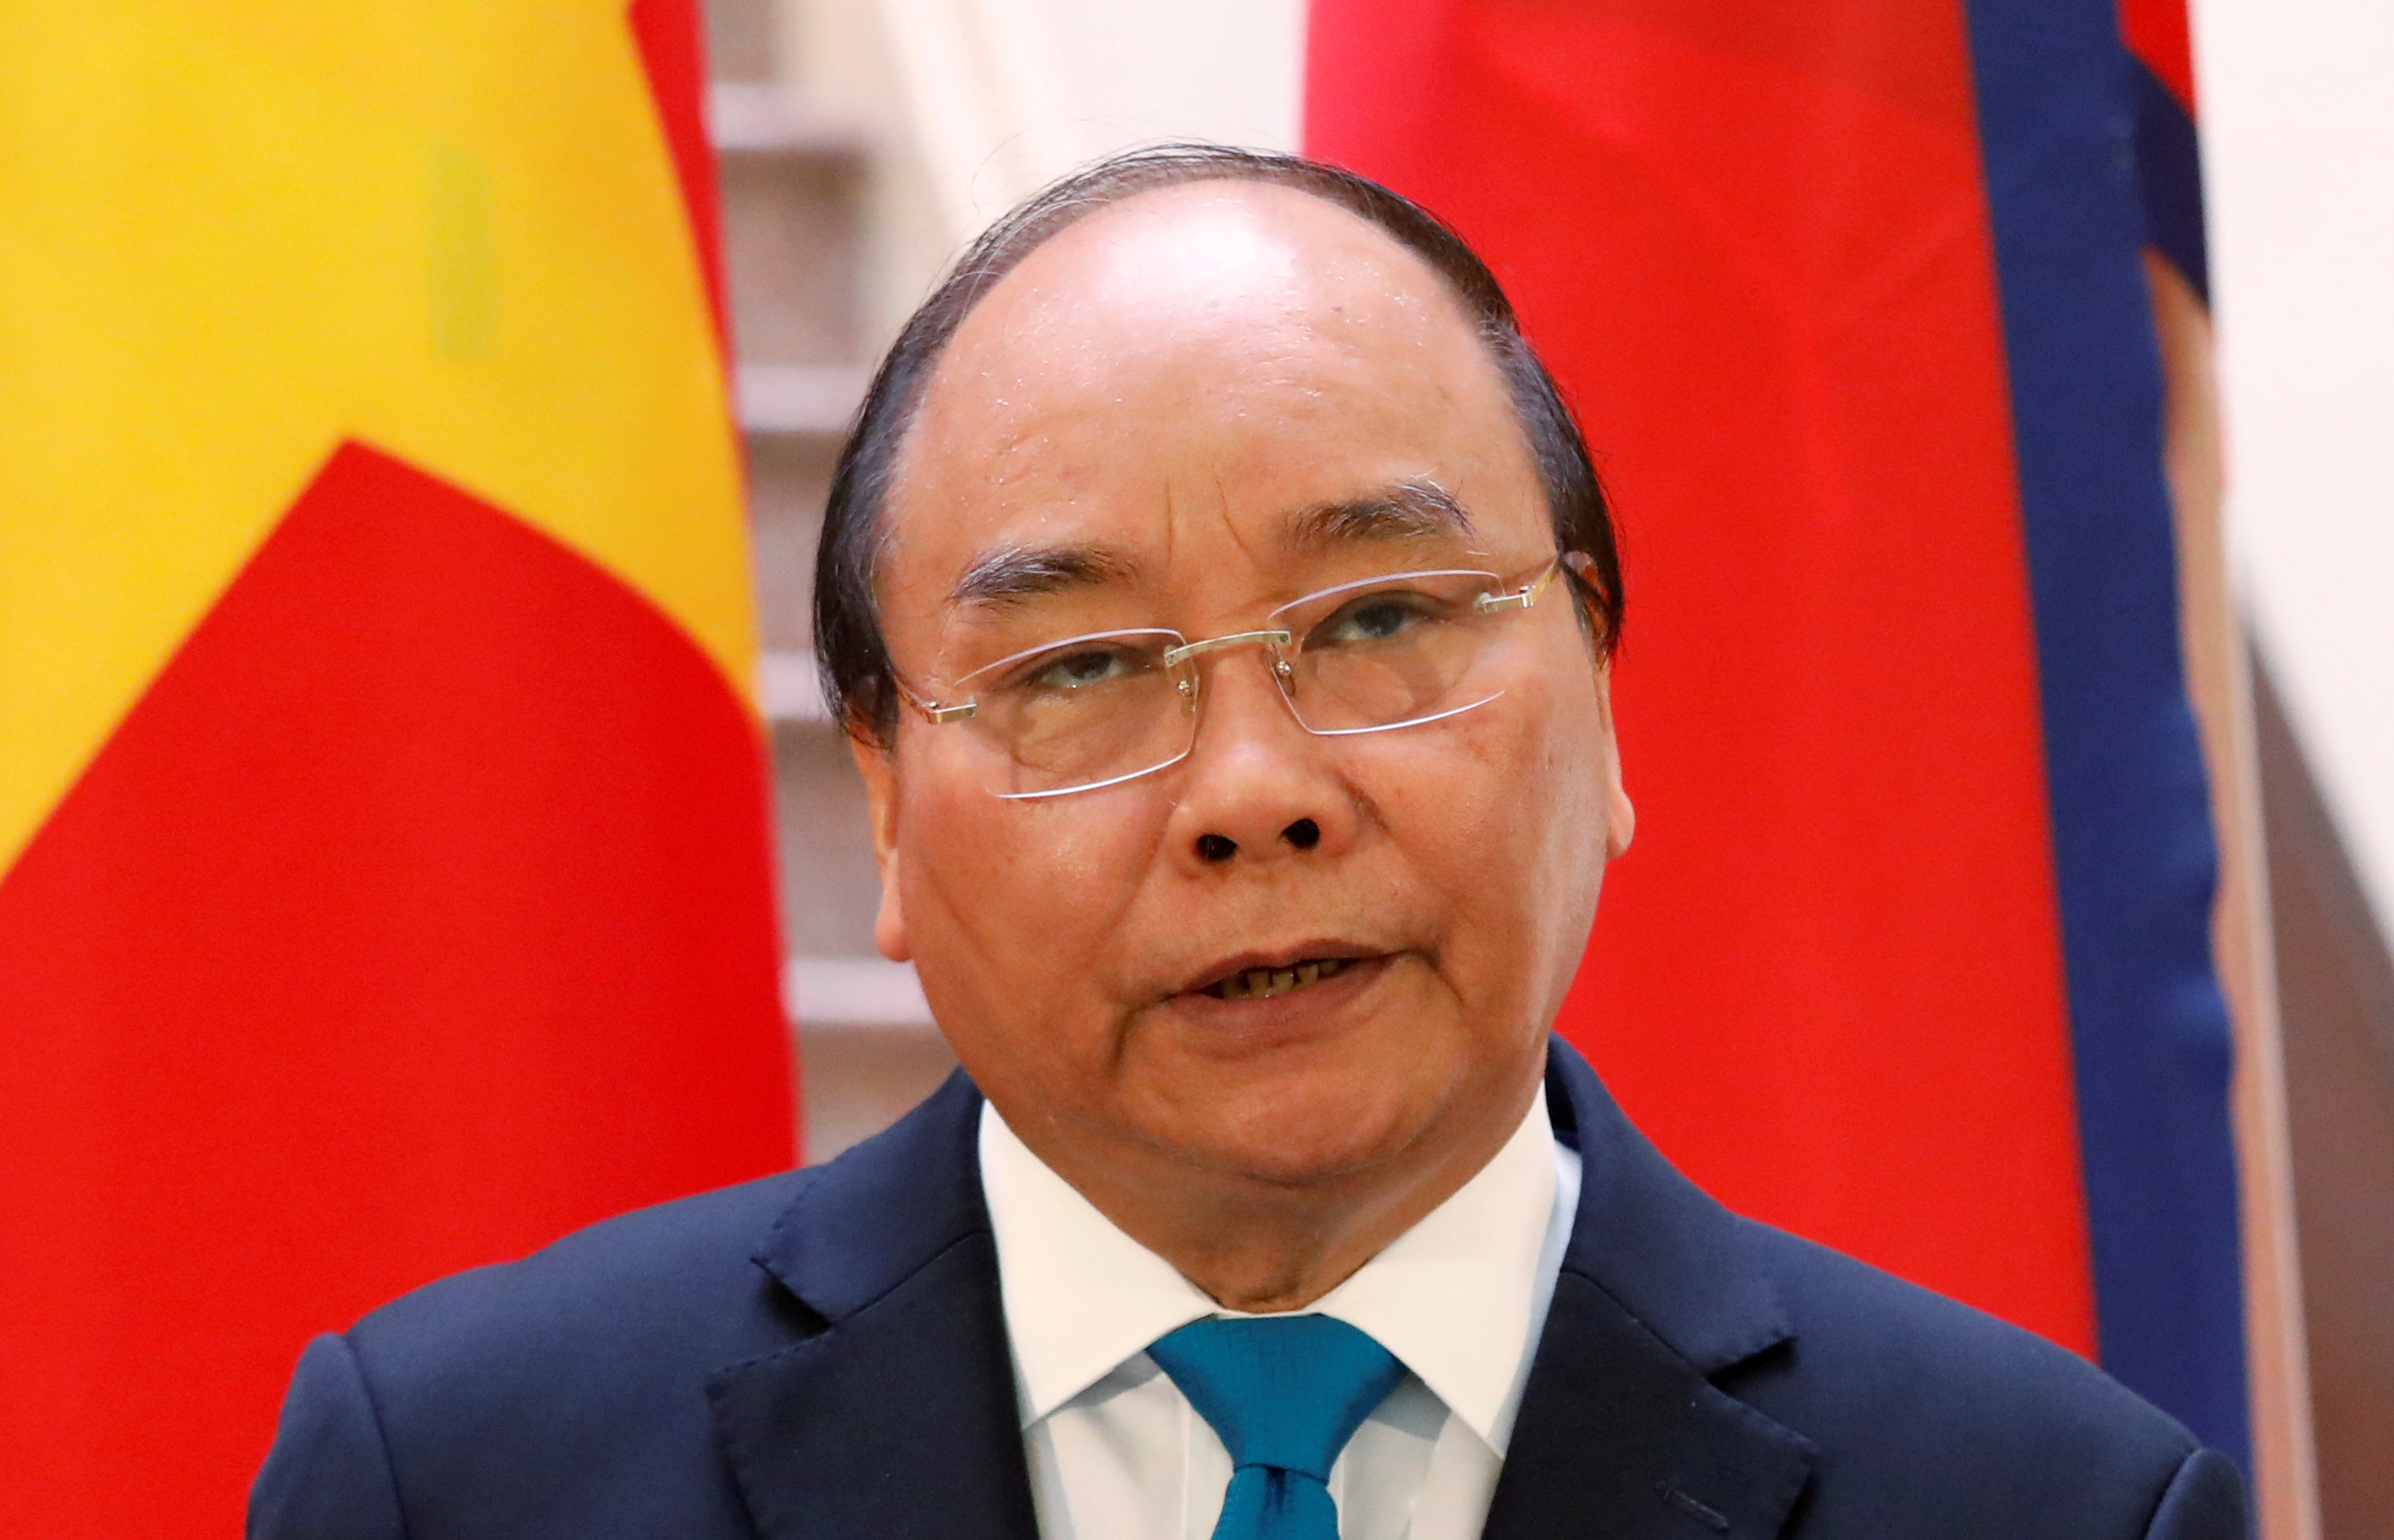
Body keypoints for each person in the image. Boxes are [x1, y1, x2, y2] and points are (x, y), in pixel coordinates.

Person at [250, 146, 2245, 1540]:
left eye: (1381, 624)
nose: (1250, 791)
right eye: (1086, 666)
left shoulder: (2057, 1508)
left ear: (1606, 696)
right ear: (877, 791)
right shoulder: (461, 1480)